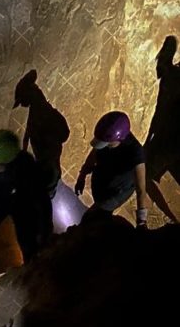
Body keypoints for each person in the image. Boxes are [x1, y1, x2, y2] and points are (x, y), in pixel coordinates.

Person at [0, 130, 54, 268]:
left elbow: (42, 202)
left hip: (23, 203)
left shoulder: (27, 172)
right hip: (0, 195)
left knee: (29, 243)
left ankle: (31, 267)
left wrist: (44, 230)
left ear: (5, 163)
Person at [75, 111, 150, 227]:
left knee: (92, 218)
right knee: (95, 216)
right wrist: (82, 176)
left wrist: (141, 221)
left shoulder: (135, 154)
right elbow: (94, 154)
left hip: (116, 193)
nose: (104, 145)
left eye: (106, 143)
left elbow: (141, 190)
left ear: (118, 139)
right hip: (104, 182)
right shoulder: (108, 138)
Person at [12, 69, 70, 197]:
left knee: (49, 177)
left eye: (22, 100)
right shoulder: (38, 107)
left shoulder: (41, 113)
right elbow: (29, 128)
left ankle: (47, 193)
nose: (22, 104)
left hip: (47, 160)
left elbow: (34, 129)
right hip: (46, 159)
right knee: (50, 175)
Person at [143, 35, 180, 223]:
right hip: (172, 140)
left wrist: (148, 140)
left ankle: (172, 218)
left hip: (169, 140)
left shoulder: (170, 79)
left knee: (143, 174)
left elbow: (160, 112)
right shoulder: (174, 75)